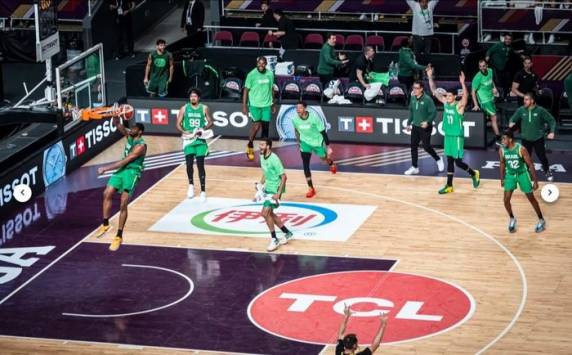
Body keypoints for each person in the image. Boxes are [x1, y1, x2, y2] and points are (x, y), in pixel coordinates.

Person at [94, 117, 147, 251]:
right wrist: (115, 114)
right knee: (107, 193)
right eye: (132, 127)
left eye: (134, 128)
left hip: (132, 172)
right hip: (122, 171)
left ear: (140, 132)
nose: (131, 129)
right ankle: (105, 224)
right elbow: (117, 124)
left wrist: (105, 168)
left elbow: (125, 161)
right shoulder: (130, 136)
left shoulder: (141, 145)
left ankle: (119, 235)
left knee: (123, 203)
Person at [427, 67, 480, 193]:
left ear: (455, 96)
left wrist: (463, 83)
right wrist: (430, 77)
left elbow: (466, 98)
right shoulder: (446, 103)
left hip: (457, 137)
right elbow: (434, 91)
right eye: (447, 95)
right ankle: (449, 185)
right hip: (448, 136)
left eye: (450, 95)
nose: (447, 97)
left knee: (458, 162)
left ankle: (473, 173)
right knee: (449, 160)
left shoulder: (459, 106)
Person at [499, 130, 546, 233]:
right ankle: (512, 218)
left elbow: (530, 165)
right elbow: (502, 163)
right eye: (502, 139)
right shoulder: (502, 150)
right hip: (510, 175)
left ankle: (541, 220)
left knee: (531, 198)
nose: (502, 141)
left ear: (510, 139)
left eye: (504, 139)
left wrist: (535, 181)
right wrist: (502, 178)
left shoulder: (521, 149)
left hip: (522, 174)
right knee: (506, 200)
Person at [292, 101, 337, 198]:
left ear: (305, 108)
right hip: (305, 143)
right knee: (305, 164)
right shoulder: (295, 119)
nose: (298, 110)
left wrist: (328, 146)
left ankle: (331, 163)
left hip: (317, 142)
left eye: (300, 108)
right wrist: (298, 141)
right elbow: (296, 130)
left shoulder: (314, 118)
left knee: (324, 158)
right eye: (297, 108)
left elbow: (323, 132)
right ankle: (311, 188)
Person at [508, 92, 556, 181]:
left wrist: (552, 132)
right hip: (525, 139)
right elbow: (513, 118)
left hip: (538, 138)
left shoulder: (540, 110)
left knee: (542, 157)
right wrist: (511, 122)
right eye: (524, 99)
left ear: (532, 101)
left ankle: (547, 171)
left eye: (526, 100)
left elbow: (551, 120)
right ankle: (526, 173)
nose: (524, 101)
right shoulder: (521, 110)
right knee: (526, 158)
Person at [176, 89, 214, 201]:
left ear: (199, 98)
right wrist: (184, 131)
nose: (193, 98)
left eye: (195, 96)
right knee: (188, 164)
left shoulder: (204, 108)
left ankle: (203, 191)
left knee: (200, 165)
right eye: (191, 96)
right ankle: (191, 186)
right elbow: (178, 124)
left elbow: (210, 121)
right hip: (189, 139)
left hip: (200, 139)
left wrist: (204, 128)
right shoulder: (184, 108)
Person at [258, 139, 293, 252]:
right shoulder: (262, 156)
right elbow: (265, 171)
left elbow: (284, 177)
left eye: (262, 145)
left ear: (268, 146)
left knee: (265, 213)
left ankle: (274, 239)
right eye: (260, 144)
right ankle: (287, 233)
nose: (260, 146)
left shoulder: (274, 159)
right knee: (270, 214)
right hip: (268, 187)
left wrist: (278, 193)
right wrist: (260, 183)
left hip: (276, 189)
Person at [404, 81, 444, 175]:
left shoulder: (427, 99)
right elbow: (412, 112)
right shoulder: (413, 98)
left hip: (425, 127)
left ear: (421, 89)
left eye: (417, 88)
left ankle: (438, 159)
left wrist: (427, 121)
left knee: (426, 147)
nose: (415, 90)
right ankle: (414, 167)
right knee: (413, 146)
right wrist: (409, 123)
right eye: (414, 88)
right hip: (415, 127)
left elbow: (433, 112)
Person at [243, 56, 275, 161]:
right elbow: (246, 90)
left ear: (266, 64)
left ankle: (263, 150)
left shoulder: (270, 74)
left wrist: (273, 103)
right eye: (259, 63)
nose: (261, 65)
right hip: (255, 105)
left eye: (263, 63)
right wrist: (244, 105)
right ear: (257, 64)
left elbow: (271, 89)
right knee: (256, 127)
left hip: (266, 105)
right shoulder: (251, 75)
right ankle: (250, 145)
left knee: (265, 128)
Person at [471, 59, 501, 144]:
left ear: (487, 66)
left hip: (491, 97)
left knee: (488, 118)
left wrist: (494, 88)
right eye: (480, 66)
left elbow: (491, 81)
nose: (482, 68)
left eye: (483, 66)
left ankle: (482, 134)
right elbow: (473, 91)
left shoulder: (490, 70)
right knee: (494, 117)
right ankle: (498, 137)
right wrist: (476, 105)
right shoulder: (477, 77)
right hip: (484, 100)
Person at [486, 33, 515, 98]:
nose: (508, 40)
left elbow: (513, 52)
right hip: (495, 67)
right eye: (506, 39)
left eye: (509, 39)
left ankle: (505, 96)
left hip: (503, 68)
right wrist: (487, 56)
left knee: (506, 81)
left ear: (511, 40)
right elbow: (489, 51)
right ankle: (498, 97)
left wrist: (521, 55)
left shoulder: (510, 48)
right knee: (497, 82)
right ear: (504, 39)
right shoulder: (498, 45)